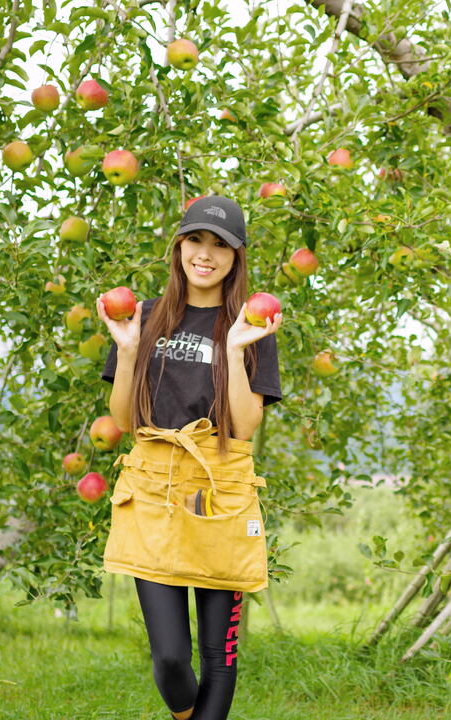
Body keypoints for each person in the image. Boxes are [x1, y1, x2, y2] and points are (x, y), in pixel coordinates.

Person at [97, 195, 283, 720]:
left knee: (218, 660)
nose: (206, 254)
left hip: (220, 485)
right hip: (153, 481)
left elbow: (245, 426)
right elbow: (125, 418)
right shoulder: (145, 317)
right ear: (179, 247)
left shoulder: (252, 325)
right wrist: (129, 350)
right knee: (172, 657)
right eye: (196, 240)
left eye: (220, 245)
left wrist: (232, 350)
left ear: (236, 257)